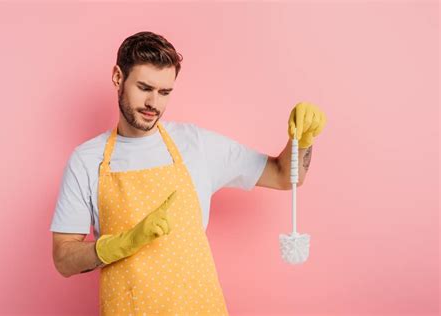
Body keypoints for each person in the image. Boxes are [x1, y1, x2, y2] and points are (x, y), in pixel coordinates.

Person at [49, 31, 326, 315]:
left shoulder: (197, 144)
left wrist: (302, 140)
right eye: (144, 88)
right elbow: (63, 258)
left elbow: (283, 175)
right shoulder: (86, 160)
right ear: (118, 77)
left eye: (164, 92)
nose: (153, 104)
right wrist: (122, 243)